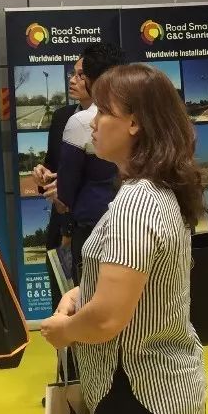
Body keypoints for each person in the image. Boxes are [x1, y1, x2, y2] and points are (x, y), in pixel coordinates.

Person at [40, 63, 207, 414]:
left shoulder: (138, 203)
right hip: (147, 386)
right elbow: (134, 284)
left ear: (134, 123)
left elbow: (109, 317)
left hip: (134, 388)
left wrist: (64, 331)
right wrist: (80, 293)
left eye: (104, 112)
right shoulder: (148, 193)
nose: (92, 122)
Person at [56, 42, 125, 280]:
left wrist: (63, 198)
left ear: (91, 79)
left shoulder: (81, 121)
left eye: (81, 75)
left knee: (89, 292)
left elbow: (66, 189)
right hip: (132, 218)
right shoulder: (138, 113)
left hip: (92, 224)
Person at [33, 57, 91, 282]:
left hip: (92, 225)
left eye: (80, 75)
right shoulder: (61, 118)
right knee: (61, 294)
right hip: (60, 225)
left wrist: (69, 189)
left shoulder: (113, 120)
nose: (72, 80)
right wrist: (43, 176)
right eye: (72, 74)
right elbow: (53, 165)